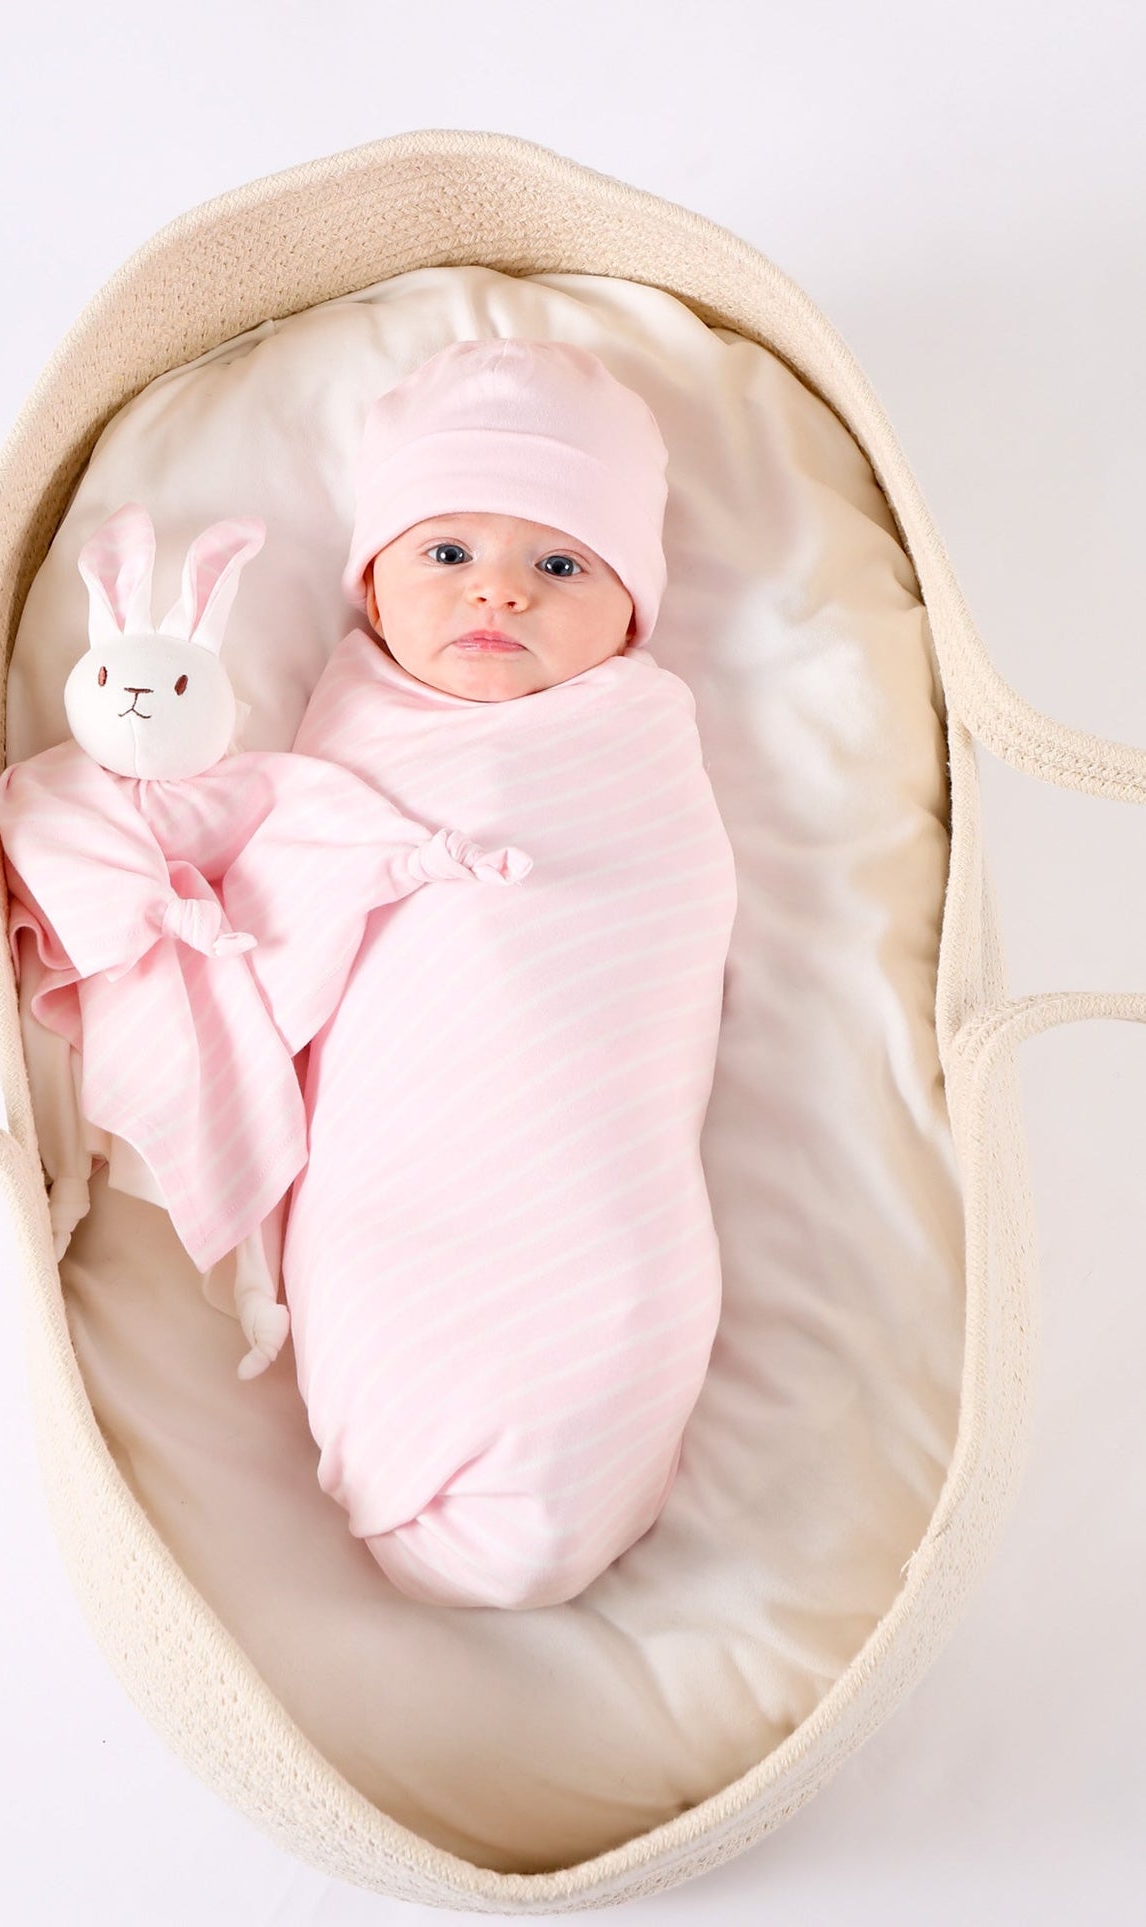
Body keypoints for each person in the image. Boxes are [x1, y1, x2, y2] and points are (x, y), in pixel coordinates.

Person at [279, 338, 738, 1609]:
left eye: (556, 563)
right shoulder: (353, 727)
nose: (499, 595)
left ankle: (581, 1426)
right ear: (371, 588)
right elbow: (280, 886)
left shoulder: (632, 737)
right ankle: (411, 1420)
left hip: (582, 1131)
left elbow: (670, 913)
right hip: (403, 1140)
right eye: (445, 554)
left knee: (607, 1253)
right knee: (380, 1241)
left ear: (630, 613)